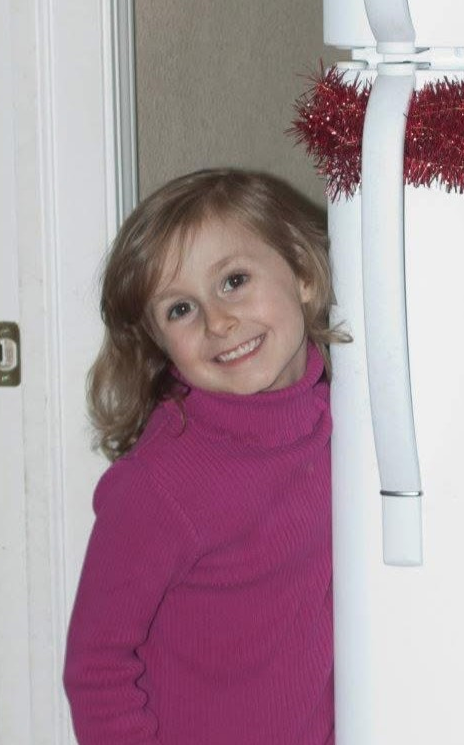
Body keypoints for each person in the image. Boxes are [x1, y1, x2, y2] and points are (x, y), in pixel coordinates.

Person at [63, 169, 347, 745]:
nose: (218, 321)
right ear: (158, 342)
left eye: (233, 281)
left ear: (301, 271)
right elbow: (96, 667)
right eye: (180, 310)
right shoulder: (160, 484)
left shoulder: (347, 424)